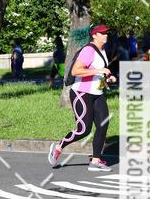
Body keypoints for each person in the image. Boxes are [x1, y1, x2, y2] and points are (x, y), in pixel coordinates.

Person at [48, 24, 117, 172]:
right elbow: (76, 71)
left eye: (106, 33)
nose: (106, 35)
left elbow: (97, 74)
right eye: (103, 33)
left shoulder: (102, 50)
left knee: (103, 124)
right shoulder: (88, 50)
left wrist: (107, 78)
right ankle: (59, 145)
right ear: (94, 36)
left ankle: (96, 161)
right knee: (83, 130)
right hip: (81, 93)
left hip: (97, 94)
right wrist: (99, 70)